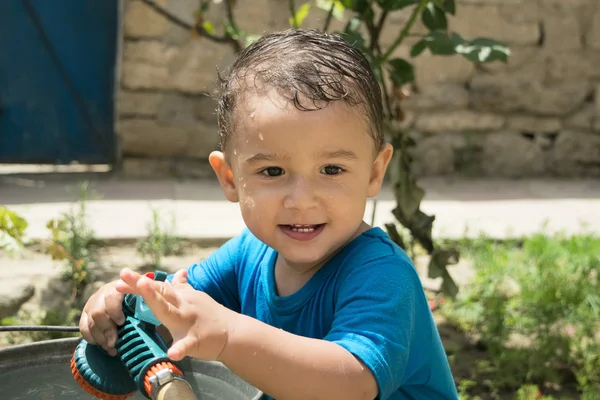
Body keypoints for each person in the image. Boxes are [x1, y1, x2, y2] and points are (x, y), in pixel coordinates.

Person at [79, 28, 458, 400]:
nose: (301, 200)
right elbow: (181, 308)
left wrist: (228, 335)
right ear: (230, 178)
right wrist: (125, 301)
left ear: (374, 172)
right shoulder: (249, 254)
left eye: (331, 170)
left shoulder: (382, 275)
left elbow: (351, 383)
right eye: (273, 172)